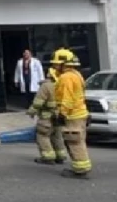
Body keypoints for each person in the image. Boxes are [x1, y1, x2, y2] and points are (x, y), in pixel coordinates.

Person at [51, 48, 91, 178]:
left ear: (63, 64)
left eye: (56, 64)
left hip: (72, 115)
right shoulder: (77, 75)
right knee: (79, 141)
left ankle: (80, 170)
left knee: (74, 142)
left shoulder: (66, 78)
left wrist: (62, 114)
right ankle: (81, 167)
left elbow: (67, 98)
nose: (54, 66)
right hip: (80, 113)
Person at [27, 66, 66, 166]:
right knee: (57, 136)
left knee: (42, 136)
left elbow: (38, 102)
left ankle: (48, 157)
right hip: (59, 116)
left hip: (46, 117)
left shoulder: (46, 86)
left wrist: (31, 112)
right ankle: (60, 156)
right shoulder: (62, 84)